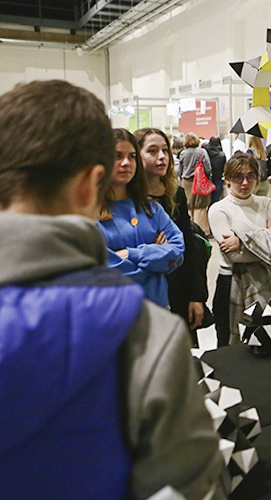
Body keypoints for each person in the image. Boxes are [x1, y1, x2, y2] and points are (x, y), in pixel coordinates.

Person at [0, 80, 224, 499]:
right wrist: (146, 255)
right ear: (91, 183)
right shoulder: (142, 336)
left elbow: (178, 247)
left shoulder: (152, 209)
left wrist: (128, 254)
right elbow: (190, 486)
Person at [209, 152, 271, 347]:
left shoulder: (266, 203)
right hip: (232, 284)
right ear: (227, 179)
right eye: (238, 177)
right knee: (232, 346)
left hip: (269, 281)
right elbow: (235, 256)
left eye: (250, 176)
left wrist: (243, 241)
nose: (245, 182)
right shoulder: (219, 209)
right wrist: (265, 236)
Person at [98, 128, 185, 308]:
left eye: (131, 156)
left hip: (157, 310)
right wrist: (154, 261)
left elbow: (177, 252)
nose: (126, 163)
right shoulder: (90, 214)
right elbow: (100, 270)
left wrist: (131, 254)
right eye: (117, 156)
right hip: (113, 312)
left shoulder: (152, 208)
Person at [136, 128, 208, 339]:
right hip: (145, 294)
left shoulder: (175, 194)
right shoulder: (128, 200)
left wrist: (197, 296)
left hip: (179, 289)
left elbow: (189, 247)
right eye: (152, 151)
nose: (162, 157)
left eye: (165, 151)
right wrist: (155, 250)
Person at [179, 132, 212, 234]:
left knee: (188, 205)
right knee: (200, 206)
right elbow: (208, 167)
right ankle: (202, 230)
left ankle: (190, 228)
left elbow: (180, 170)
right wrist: (209, 179)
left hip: (186, 182)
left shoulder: (183, 153)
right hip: (199, 181)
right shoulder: (202, 151)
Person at [205, 135, 227, 205]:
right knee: (216, 202)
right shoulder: (222, 155)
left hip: (207, 180)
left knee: (207, 202)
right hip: (218, 180)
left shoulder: (206, 153)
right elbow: (224, 169)